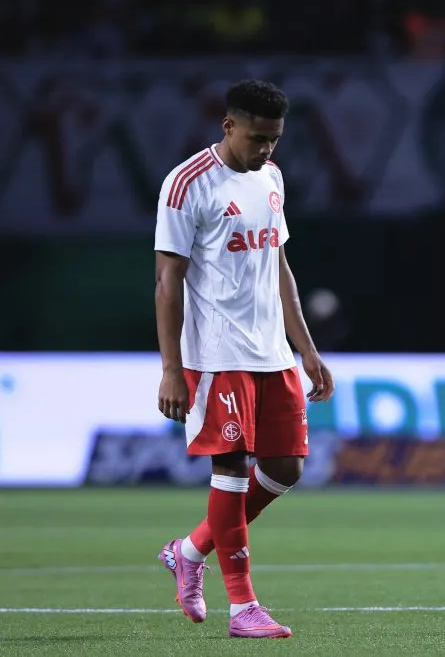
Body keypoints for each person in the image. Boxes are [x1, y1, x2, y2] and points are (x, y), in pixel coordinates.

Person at [153, 79, 335, 639]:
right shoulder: (188, 184)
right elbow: (167, 280)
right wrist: (171, 369)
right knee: (230, 467)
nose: (266, 149)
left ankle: (189, 551)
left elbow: (279, 266)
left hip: (271, 350)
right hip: (216, 352)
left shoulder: (271, 177)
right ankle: (243, 607)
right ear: (228, 125)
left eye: (274, 139)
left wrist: (306, 349)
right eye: (257, 138)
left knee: (286, 468)